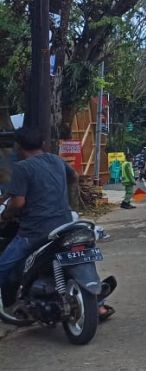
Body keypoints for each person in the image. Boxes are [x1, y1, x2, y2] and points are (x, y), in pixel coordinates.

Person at [0, 127, 74, 302]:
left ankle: (9, 305)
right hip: (66, 224)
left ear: (18, 146)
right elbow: (75, 176)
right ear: (43, 143)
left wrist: (5, 216)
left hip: (35, 232)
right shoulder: (56, 160)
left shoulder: (22, 167)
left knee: (3, 266)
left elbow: (18, 203)